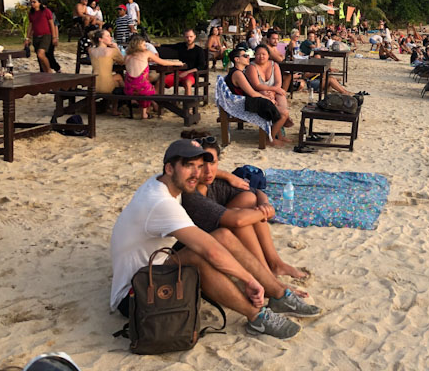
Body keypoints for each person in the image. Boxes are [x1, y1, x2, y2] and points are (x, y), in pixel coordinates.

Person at [109, 139, 316, 341]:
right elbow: (210, 251)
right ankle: (256, 316)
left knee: (223, 235)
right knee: (200, 257)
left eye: (199, 166)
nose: (196, 173)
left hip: (155, 267)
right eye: (189, 166)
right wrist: (249, 280)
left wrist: (227, 176)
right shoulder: (160, 202)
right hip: (137, 293)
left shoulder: (162, 182)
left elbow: (216, 235)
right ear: (170, 168)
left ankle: (279, 294)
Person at [179, 131, 308, 290]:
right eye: (200, 165)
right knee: (244, 219)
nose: (208, 171)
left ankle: (275, 264)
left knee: (249, 200)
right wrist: (265, 212)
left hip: (220, 238)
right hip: (199, 249)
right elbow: (237, 220)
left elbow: (255, 191)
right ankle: (267, 277)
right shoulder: (191, 195)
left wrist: (265, 203)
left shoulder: (213, 183)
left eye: (212, 163)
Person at [224, 48, 289, 147]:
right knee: (284, 113)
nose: (248, 57)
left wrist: (267, 95)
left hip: (245, 101)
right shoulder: (237, 74)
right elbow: (252, 93)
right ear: (237, 59)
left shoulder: (238, 72)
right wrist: (266, 98)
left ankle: (279, 136)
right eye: (245, 56)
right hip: (243, 104)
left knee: (278, 106)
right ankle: (269, 139)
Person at [124, 35, 184, 119]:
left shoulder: (127, 56)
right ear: (139, 45)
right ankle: (146, 112)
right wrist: (177, 63)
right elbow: (162, 62)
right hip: (142, 87)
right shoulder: (146, 53)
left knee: (143, 87)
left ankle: (146, 110)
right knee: (149, 90)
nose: (145, 47)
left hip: (128, 88)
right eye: (144, 45)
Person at [245, 45, 293, 129]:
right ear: (255, 55)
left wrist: (273, 92)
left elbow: (278, 83)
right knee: (271, 94)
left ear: (268, 55)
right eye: (258, 54)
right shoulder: (251, 67)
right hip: (258, 92)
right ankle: (284, 118)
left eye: (264, 54)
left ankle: (283, 118)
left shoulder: (274, 65)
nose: (261, 56)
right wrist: (273, 90)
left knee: (280, 95)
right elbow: (257, 85)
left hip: (272, 91)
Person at [89, 29, 124, 114]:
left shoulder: (90, 50)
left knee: (114, 78)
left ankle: (109, 105)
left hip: (93, 84)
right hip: (106, 86)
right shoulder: (112, 51)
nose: (110, 38)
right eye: (108, 36)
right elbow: (123, 61)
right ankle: (116, 107)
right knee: (119, 77)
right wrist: (116, 48)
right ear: (100, 39)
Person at [167, 29, 207, 96]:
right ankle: (155, 103)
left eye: (191, 36)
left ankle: (187, 104)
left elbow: (201, 66)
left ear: (194, 36)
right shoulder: (181, 46)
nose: (189, 39)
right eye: (187, 37)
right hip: (177, 72)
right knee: (161, 81)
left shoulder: (199, 50)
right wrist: (157, 45)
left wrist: (187, 72)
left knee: (187, 83)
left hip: (191, 73)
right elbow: (169, 46)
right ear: (184, 37)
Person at [24, 0, 57, 73]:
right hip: (36, 36)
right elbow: (30, 26)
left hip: (46, 35)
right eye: (31, 2)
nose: (32, 4)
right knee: (39, 58)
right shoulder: (31, 13)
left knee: (40, 54)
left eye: (34, 2)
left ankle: (49, 70)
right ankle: (45, 73)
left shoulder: (46, 11)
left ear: (39, 3)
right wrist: (27, 38)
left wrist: (54, 37)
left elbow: (52, 24)